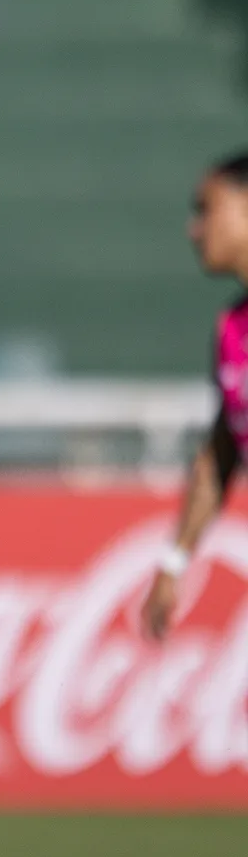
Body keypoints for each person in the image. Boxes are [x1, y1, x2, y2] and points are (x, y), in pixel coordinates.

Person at [142, 151, 248, 642]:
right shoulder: (231, 330)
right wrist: (175, 561)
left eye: (206, 209)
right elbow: (220, 452)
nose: (194, 228)